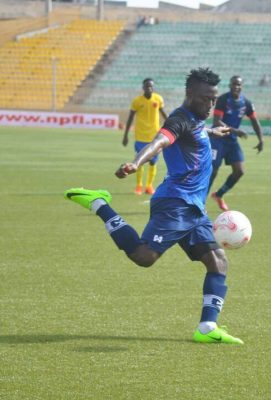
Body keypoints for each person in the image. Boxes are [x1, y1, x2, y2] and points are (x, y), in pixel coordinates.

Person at [64, 68, 243, 344]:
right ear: (190, 94)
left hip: (195, 209)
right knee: (144, 257)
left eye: (214, 99)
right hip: (175, 204)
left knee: (218, 261)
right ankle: (99, 203)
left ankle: (207, 327)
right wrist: (136, 163)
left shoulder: (196, 120)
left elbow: (195, 130)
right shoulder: (178, 120)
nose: (211, 104)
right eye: (206, 98)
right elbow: (159, 141)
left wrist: (212, 130)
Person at [209, 75, 264, 211]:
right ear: (230, 85)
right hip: (217, 139)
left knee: (239, 171)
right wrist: (235, 130)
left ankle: (219, 194)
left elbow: (254, 121)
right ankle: (200, 202)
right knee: (212, 171)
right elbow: (216, 121)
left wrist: (261, 139)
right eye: (234, 84)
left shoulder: (246, 103)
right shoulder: (223, 100)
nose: (236, 87)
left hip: (231, 141)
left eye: (238, 84)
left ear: (242, 86)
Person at [122, 78, 168, 195]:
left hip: (154, 137)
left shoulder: (158, 99)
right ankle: (139, 186)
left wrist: (173, 126)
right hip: (140, 137)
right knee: (139, 161)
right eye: (147, 86)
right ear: (143, 88)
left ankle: (149, 186)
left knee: (153, 162)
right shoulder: (137, 101)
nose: (149, 88)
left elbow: (164, 115)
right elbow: (130, 118)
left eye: (151, 86)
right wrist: (125, 135)